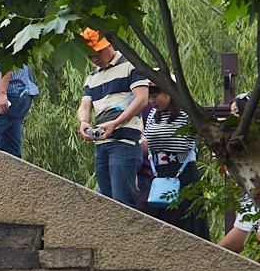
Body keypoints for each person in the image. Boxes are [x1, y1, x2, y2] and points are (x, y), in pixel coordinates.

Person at [76, 28, 150, 207]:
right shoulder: (92, 76)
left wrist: (116, 123)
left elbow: (141, 99)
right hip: (101, 142)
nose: (95, 59)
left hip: (124, 141)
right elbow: (85, 105)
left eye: (97, 53)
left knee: (122, 203)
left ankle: (128, 235)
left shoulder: (130, 65)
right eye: (90, 56)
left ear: (107, 44)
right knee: (106, 204)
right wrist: (84, 122)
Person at [139, 85, 204, 236]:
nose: (152, 101)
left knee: (180, 221)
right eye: (150, 97)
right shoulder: (152, 116)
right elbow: (146, 144)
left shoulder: (187, 112)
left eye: (155, 96)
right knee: (143, 209)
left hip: (183, 172)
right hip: (159, 174)